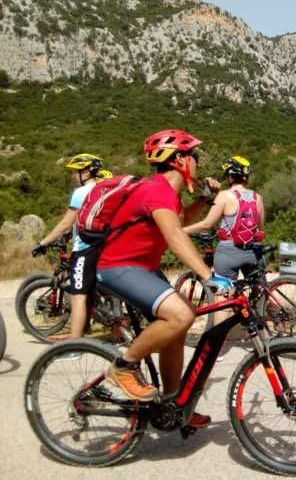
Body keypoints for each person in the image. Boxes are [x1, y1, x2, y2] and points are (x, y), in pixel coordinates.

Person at [96, 129, 229, 430]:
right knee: (180, 315)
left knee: (179, 324)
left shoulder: (166, 193)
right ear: (180, 159)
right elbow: (175, 236)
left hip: (141, 267)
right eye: (194, 156)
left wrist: (204, 201)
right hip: (119, 267)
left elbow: (178, 221)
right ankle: (123, 367)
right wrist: (209, 276)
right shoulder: (156, 189)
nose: (197, 161)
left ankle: (173, 404)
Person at [183, 155, 265, 360]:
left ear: (229, 175)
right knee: (256, 288)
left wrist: (181, 230)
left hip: (228, 252)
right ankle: (261, 333)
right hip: (252, 252)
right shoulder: (257, 197)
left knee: (222, 296)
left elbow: (206, 224)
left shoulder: (224, 196)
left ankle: (217, 349)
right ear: (246, 176)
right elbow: (260, 225)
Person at [32, 154, 112, 340]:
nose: (73, 176)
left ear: (85, 172)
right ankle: (94, 329)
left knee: (78, 296)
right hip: (102, 244)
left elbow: (65, 224)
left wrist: (43, 243)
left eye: (75, 172)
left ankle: (74, 344)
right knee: (90, 290)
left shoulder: (81, 193)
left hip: (85, 248)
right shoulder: (104, 189)